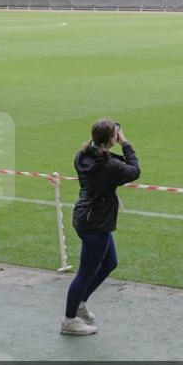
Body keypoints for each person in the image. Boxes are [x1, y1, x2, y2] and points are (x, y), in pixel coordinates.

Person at [62, 119, 140, 336]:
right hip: (95, 223)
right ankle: (69, 320)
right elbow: (134, 170)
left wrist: (111, 140)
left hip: (88, 217)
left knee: (109, 262)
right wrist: (125, 143)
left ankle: (80, 303)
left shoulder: (83, 155)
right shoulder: (109, 166)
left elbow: (110, 160)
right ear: (111, 139)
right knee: (85, 273)